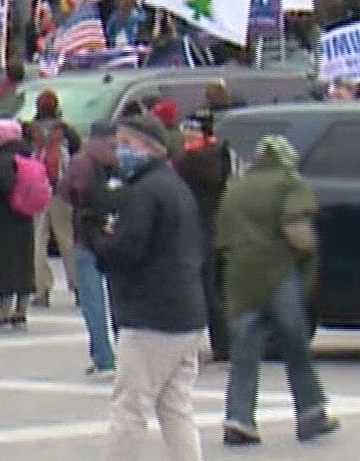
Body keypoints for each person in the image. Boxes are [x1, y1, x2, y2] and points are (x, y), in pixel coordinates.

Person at [91, 113, 208, 461]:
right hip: (186, 311)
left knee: (130, 410)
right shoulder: (175, 186)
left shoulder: (143, 192)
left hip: (150, 316)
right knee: (176, 408)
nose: (120, 152)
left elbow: (128, 249)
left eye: (127, 145)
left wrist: (100, 243)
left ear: (149, 149)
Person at [215, 134, 339, 447]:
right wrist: (309, 252)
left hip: (240, 276)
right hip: (277, 271)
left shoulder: (237, 188)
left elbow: (220, 236)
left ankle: (239, 419)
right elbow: (297, 230)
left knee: (245, 349)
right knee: (294, 342)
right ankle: (310, 412)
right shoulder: (290, 183)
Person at [62, 120, 123, 379]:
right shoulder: (123, 159)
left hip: (87, 237)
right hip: (117, 235)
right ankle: (129, 355)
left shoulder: (81, 161)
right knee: (120, 300)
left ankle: (103, 358)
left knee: (93, 303)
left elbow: (66, 192)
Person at [177, 105, 233, 362]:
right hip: (213, 226)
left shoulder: (193, 161)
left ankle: (207, 341)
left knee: (200, 288)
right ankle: (223, 343)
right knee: (213, 289)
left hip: (198, 228)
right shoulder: (218, 156)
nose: (187, 134)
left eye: (192, 130)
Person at [0, 117, 37, 329]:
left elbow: (5, 184)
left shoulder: (4, 158)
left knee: (5, 266)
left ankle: (4, 313)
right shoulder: (26, 153)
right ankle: (20, 312)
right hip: (25, 215)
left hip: (5, 218)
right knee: (23, 264)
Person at [28, 89, 82, 307]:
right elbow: (77, 153)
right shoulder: (66, 131)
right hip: (62, 190)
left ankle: (42, 290)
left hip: (37, 190)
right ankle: (78, 287)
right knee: (67, 239)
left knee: (37, 241)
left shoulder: (29, 130)